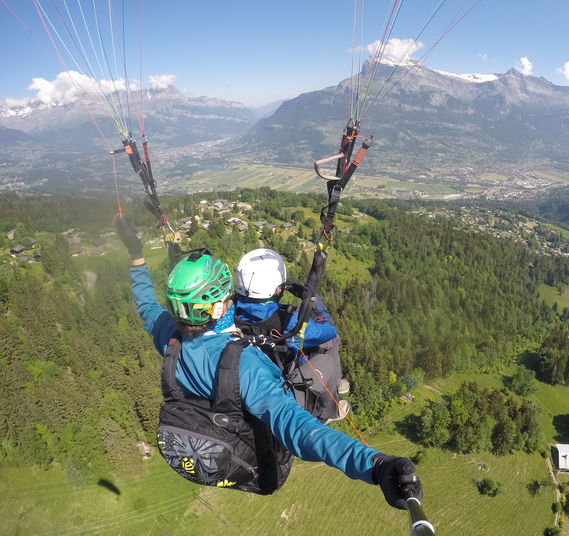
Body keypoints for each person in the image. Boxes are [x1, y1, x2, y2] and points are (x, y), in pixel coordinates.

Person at [115, 217, 421, 508]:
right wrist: (374, 465)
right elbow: (298, 429)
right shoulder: (244, 365)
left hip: (210, 421)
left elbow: (146, 304)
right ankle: (328, 408)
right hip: (254, 447)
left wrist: (136, 255)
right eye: (227, 296)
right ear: (218, 310)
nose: (232, 299)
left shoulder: (167, 336)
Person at [234, 248, 349, 423]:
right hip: (284, 379)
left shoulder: (228, 308)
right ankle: (328, 412)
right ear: (277, 288)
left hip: (252, 369)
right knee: (329, 347)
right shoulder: (288, 322)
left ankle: (334, 384)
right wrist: (312, 298)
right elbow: (329, 330)